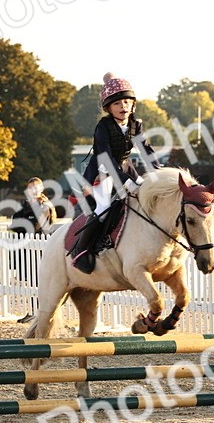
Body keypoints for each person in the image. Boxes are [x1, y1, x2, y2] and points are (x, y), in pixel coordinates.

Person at [71, 72, 164, 273]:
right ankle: (82, 251)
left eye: (126, 102)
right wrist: (125, 182)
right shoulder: (103, 127)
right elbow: (105, 158)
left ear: (133, 105)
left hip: (124, 166)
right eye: (117, 104)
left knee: (143, 198)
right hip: (101, 171)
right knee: (102, 209)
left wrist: (159, 174)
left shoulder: (135, 125)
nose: (123, 107)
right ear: (108, 108)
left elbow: (146, 150)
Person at [11, 177, 55, 323]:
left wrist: (24, 222)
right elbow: (14, 223)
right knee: (29, 282)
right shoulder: (24, 206)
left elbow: (34, 226)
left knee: (39, 282)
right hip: (25, 248)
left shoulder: (44, 206)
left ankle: (41, 312)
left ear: (41, 189)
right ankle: (32, 310)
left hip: (39, 249)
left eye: (36, 188)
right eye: (30, 188)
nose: (33, 191)